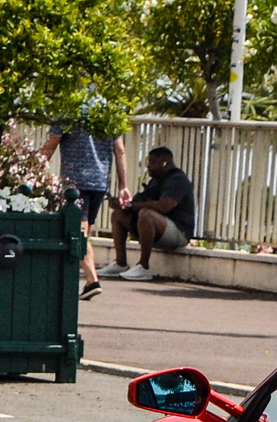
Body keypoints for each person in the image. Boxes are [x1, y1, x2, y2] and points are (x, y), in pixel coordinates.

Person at [40, 119, 128, 301]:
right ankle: (88, 283)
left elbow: (51, 144)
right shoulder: (109, 111)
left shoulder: (68, 111)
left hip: (75, 181)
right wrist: (123, 186)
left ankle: (92, 280)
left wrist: (33, 171)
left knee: (78, 231)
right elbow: (120, 150)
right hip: (100, 181)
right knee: (85, 230)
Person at [99, 146, 195, 281]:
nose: (148, 167)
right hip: (159, 230)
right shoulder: (156, 180)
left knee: (146, 214)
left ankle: (144, 267)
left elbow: (164, 206)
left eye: (152, 162)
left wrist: (132, 205)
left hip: (179, 233)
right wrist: (124, 204)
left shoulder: (177, 179)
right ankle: (120, 263)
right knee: (118, 214)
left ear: (164, 162)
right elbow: (140, 201)